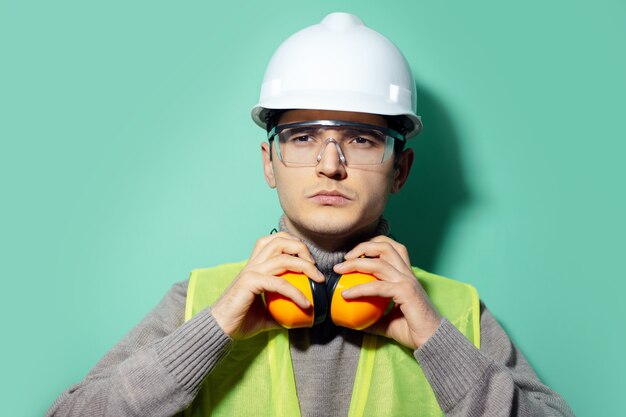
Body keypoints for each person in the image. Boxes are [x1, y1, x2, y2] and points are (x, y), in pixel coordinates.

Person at [46, 12, 575, 417]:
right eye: (302, 138)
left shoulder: (456, 314)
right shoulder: (199, 304)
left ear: (401, 169)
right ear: (269, 163)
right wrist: (213, 330)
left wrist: (438, 342)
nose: (329, 165)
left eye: (362, 139)